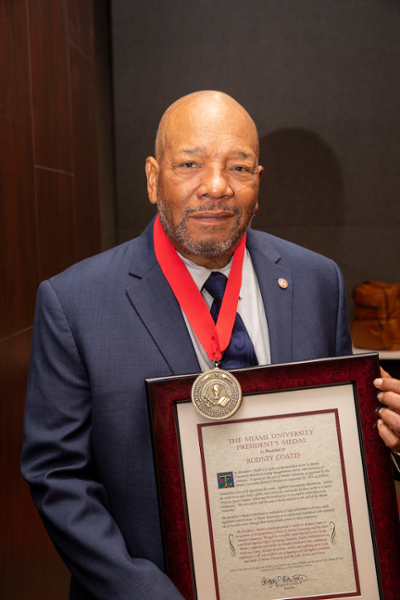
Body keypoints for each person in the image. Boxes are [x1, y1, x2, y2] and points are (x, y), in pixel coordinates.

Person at [21, 91, 400, 600]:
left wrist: (386, 439)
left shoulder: (318, 281)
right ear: (154, 177)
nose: (216, 186)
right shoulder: (74, 302)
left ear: (258, 184)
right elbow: (58, 478)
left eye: (238, 167)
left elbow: (339, 445)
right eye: (190, 164)